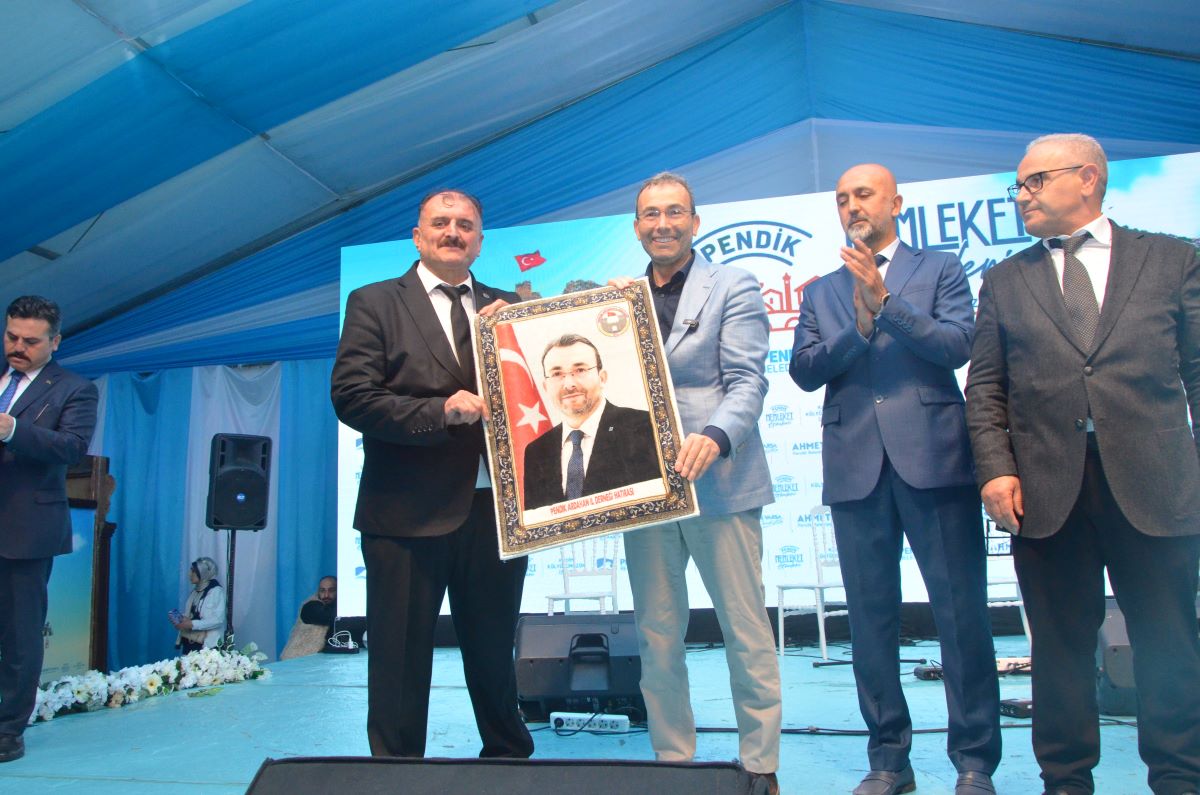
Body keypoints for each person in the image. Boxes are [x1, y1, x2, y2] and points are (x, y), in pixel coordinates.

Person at [966, 133, 1200, 795]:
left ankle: (1180, 776)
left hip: (1157, 482)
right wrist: (995, 469)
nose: (1021, 195)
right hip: (1045, 489)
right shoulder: (1004, 280)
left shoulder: (1172, 259)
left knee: (1169, 639)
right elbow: (985, 388)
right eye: (1018, 185)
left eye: (1035, 181)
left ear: (1089, 178)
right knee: (1060, 647)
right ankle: (1066, 780)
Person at [789, 164, 1001, 795]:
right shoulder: (822, 291)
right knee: (870, 621)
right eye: (842, 199)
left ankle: (974, 762)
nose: (852, 206)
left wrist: (886, 305)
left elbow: (957, 346)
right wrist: (858, 329)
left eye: (864, 194)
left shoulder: (939, 269)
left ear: (897, 203)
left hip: (936, 461)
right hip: (855, 469)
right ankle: (888, 760)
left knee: (961, 616)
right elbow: (804, 370)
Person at [331, 188, 533, 759]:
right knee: (398, 659)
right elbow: (352, 397)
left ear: (480, 241)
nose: (453, 232)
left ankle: (509, 764)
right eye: (440, 223)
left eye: (465, 224)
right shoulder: (374, 302)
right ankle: (397, 774)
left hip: (496, 513)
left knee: (495, 654)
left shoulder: (506, 307)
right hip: (404, 514)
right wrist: (439, 411)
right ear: (418, 237)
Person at [612, 172, 781, 795]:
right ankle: (672, 761)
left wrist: (715, 434)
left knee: (745, 630)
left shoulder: (732, 283)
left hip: (722, 481)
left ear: (695, 221)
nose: (663, 224)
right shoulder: (620, 297)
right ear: (637, 227)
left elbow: (748, 381)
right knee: (657, 635)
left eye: (675, 212)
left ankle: (760, 767)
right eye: (651, 214)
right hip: (645, 491)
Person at [0, 295, 98, 763]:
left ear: (55, 342)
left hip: (25, 528)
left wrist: (11, 430)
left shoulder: (75, 389)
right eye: (11, 336)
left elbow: (73, 448)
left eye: (30, 341)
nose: (18, 347)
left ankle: (7, 730)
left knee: (20, 635)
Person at [522, 333, 662, 511]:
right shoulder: (536, 451)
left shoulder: (646, 427)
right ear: (546, 387)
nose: (569, 384)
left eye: (580, 370)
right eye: (557, 374)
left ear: (602, 378)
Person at [169, 556, 227, 652]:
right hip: (190, 642)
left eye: (193, 571)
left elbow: (218, 620)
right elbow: (193, 614)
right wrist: (182, 619)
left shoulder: (217, 592)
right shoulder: (195, 592)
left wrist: (192, 624)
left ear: (203, 572)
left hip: (207, 647)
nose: (189, 574)